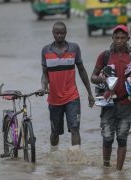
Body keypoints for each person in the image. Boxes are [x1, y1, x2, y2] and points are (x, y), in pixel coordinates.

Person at [90, 24, 131, 170]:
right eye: (117, 37)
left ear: (128, 38)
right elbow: (92, 77)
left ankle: (119, 172)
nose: (119, 40)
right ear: (112, 38)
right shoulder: (105, 56)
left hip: (126, 104)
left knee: (122, 138)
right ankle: (106, 168)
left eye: (122, 38)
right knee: (107, 137)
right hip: (108, 103)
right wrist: (102, 79)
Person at [38, 21, 95, 152]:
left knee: (75, 129)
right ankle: (54, 157)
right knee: (55, 132)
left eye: (62, 33)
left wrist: (90, 94)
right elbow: (45, 75)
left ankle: (76, 159)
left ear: (66, 33)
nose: (60, 35)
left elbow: (82, 70)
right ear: (53, 34)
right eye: (57, 33)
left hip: (72, 97)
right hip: (54, 99)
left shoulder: (74, 48)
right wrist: (43, 86)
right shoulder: (46, 50)